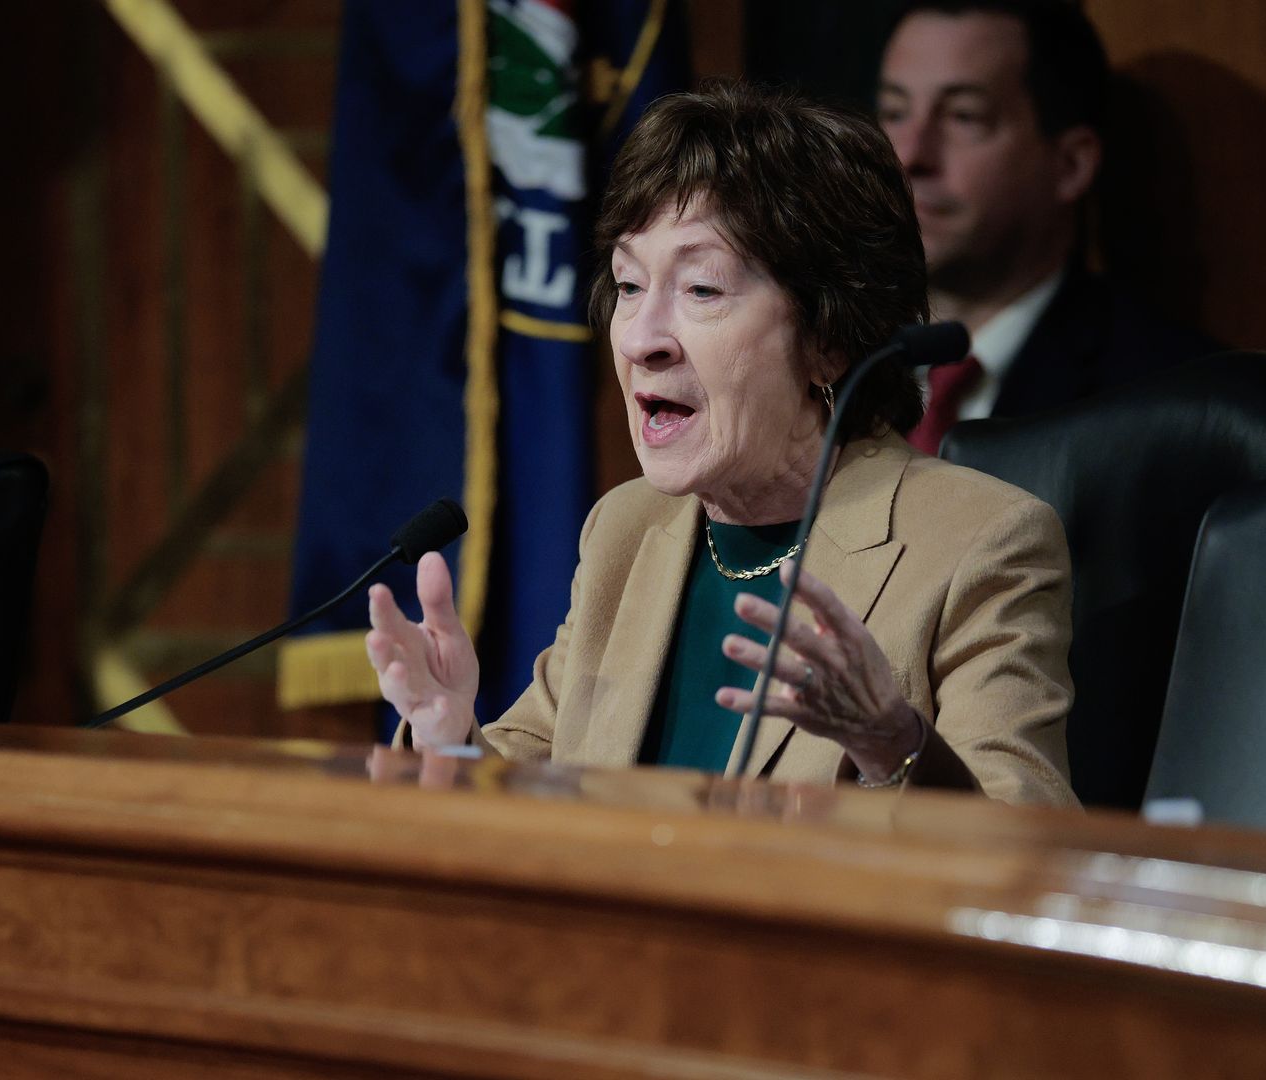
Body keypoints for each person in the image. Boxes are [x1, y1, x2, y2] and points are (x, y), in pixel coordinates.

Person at [365, 83, 1077, 808]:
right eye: (629, 284)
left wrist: (892, 745)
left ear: (829, 336)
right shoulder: (627, 529)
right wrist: (449, 739)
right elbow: (541, 783)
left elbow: (1028, 852)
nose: (642, 338)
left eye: (702, 289)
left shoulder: (981, 547)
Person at [876, 0, 1216, 452]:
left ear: (1071, 165)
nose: (910, 156)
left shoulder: (1174, 400)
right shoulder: (824, 362)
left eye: (964, 117)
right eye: (895, 112)